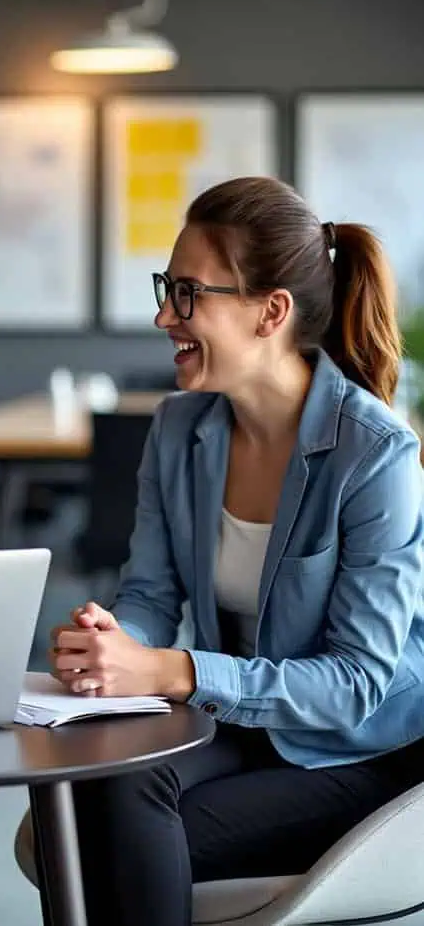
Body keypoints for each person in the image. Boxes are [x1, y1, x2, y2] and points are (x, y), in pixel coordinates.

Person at [49, 176, 424, 926]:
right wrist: (116, 642)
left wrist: (174, 669)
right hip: (248, 723)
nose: (164, 315)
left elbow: (357, 684)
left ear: (271, 313)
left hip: (364, 750)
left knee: (118, 835)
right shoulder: (179, 429)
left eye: (187, 294)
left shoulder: (374, 454)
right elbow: (152, 594)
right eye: (166, 288)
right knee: (97, 785)